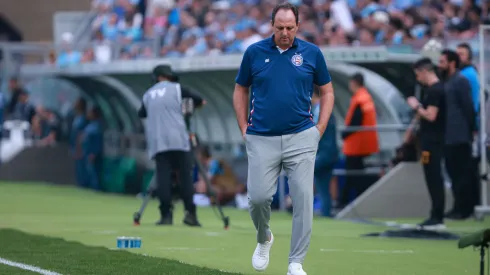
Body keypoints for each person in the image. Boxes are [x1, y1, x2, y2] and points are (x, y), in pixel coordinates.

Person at [233, 3, 335, 274]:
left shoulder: (312, 53)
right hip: (261, 137)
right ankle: (264, 237)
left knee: (302, 198)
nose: (285, 33)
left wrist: (319, 129)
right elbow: (240, 90)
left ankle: (295, 262)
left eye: (290, 27)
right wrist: (244, 128)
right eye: (280, 28)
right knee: (257, 198)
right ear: (272, 26)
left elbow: (327, 92)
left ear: (298, 26)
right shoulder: (254, 52)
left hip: (302, 136)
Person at [138, 64, 201, 227]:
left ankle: (166, 215)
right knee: (185, 177)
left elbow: (142, 113)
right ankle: (190, 213)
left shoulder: (148, 94)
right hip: (179, 139)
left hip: (158, 141)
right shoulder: (178, 89)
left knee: (163, 178)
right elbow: (198, 100)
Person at [407, 57, 446, 229]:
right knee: (431, 176)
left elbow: (431, 115)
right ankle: (435, 215)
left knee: (434, 176)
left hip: (433, 141)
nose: (417, 79)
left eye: (418, 74)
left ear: (424, 71)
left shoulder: (436, 90)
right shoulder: (431, 90)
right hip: (429, 140)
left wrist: (415, 106)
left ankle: (437, 217)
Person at [438, 49, 476, 220]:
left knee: (462, 173)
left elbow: (468, 108)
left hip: (459, 135)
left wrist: (471, 129)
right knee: (453, 173)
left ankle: (465, 208)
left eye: (443, 62)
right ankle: (457, 206)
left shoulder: (460, 81)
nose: (440, 66)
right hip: (448, 135)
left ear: (452, 63)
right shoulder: (448, 81)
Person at [339, 72, 379, 207]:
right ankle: (355, 200)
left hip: (355, 143)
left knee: (352, 174)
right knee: (356, 173)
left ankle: (344, 202)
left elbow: (356, 120)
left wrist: (344, 134)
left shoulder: (359, 99)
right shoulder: (366, 97)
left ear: (354, 83)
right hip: (363, 142)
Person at [456, 42, 481, 218]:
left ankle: (469, 206)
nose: (459, 57)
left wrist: (472, 127)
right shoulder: (464, 74)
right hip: (466, 127)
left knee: (467, 169)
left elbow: (472, 104)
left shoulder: (466, 75)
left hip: (468, 128)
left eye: (462, 54)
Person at [311, 89, 339, 217]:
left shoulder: (319, 110)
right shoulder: (328, 111)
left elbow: (316, 133)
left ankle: (294, 203)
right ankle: (326, 212)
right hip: (330, 154)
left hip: (323, 154)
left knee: (301, 172)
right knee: (323, 186)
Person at [81, 106, 104, 190]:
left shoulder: (97, 126)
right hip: (87, 153)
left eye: (90, 112)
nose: (88, 114)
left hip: (93, 154)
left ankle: (96, 189)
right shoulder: (90, 125)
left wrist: (93, 153)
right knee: (89, 172)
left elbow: (97, 141)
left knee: (94, 174)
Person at [71, 98, 88, 187]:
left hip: (80, 148)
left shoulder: (83, 119)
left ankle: (84, 185)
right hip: (75, 146)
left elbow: (80, 135)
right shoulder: (76, 117)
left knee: (82, 169)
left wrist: (79, 148)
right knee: (78, 169)